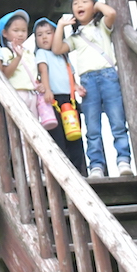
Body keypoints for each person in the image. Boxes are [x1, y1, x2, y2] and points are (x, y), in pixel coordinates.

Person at [52, 0, 133, 178]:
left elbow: (111, 13)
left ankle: (123, 161)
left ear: (94, 6)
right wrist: (60, 26)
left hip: (108, 76)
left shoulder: (102, 26)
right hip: (87, 81)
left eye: (84, 1)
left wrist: (97, 5)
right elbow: (57, 48)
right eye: (75, 3)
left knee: (117, 121)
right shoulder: (75, 37)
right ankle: (96, 165)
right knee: (92, 126)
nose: (79, 5)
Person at [33, 17, 88, 175]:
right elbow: (43, 71)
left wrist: (76, 87)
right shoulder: (41, 53)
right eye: (39, 35)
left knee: (74, 134)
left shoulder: (63, 55)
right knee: (58, 137)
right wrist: (47, 90)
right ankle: (62, 171)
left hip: (69, 100)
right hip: (53, 100)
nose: (44, 37)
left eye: (48, 33)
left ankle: (78, 170)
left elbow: (70, 74)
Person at [0, 10, 41, 122]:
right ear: (5, 33)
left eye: (24, 30)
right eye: (16, 30)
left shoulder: (28, 52)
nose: (21, 34)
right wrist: (17, 57)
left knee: (34, 124)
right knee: (20, 125)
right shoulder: (5, 51)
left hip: (32, 94)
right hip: (17, 93)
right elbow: (5, 74)